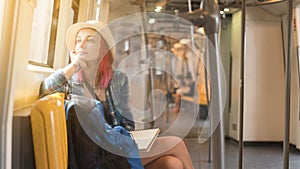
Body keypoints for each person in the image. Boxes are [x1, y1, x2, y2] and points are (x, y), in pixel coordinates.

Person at [40, 20, 194, 169]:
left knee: (173, 164)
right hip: (95, 154)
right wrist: (74, 65)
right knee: (177, 143)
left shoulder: (118, 79)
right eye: (78, 40)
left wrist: (132, 139)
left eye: (90, 40)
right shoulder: (71, 81)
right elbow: (47, 88)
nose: (81, 44)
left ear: (103, 48)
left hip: (116, 146)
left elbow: (127, 124)